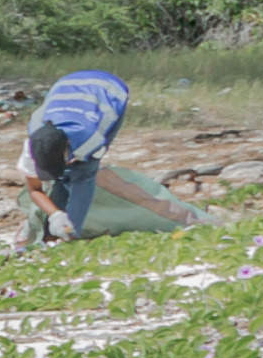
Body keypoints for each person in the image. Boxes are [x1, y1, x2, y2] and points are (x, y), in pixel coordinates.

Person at [16, 69, 188, 241]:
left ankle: (70, 234)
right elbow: (35, 189)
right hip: (66, 86)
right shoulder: (32, 147)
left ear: (69, 148)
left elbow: (83, 180)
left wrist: (71, 229)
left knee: (82, 173)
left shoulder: (89, 139)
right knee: (62, 178)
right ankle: (54, 231)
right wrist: (55, 215)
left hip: (109, 89)